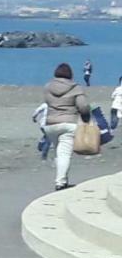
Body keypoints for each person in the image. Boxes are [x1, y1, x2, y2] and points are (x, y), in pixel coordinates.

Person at [44, 62, 91, 191]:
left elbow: (47, 102)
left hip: (51, 124)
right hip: (69, 123)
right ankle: (60, 181)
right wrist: (86, 118)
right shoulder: (76, 88)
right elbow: (83, 106)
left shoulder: (48, 87)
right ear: (70, 74)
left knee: (59, 152)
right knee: (64, 153)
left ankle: (62, 177)